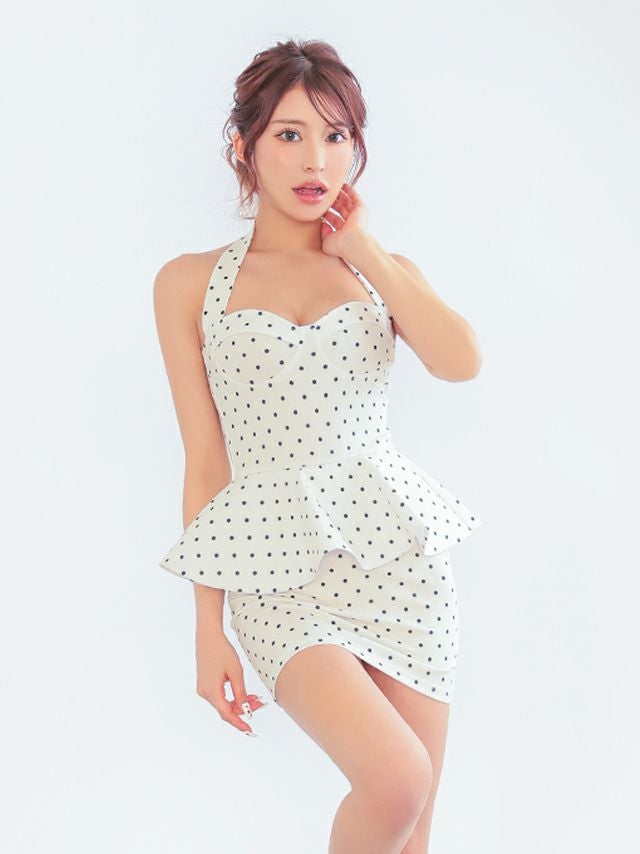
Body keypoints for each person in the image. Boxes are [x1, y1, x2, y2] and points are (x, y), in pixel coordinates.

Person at [154, 37, 483, 854]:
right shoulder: (191, 282)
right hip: (274, 571)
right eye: (290, 134)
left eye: (337, 136)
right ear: (245, 146)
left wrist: (362, 248)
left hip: (400, 562)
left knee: (412, 829)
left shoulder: (380, 270)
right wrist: (207, 627)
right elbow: (206, 462)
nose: (316, 159)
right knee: (396, 779)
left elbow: (460, 361)